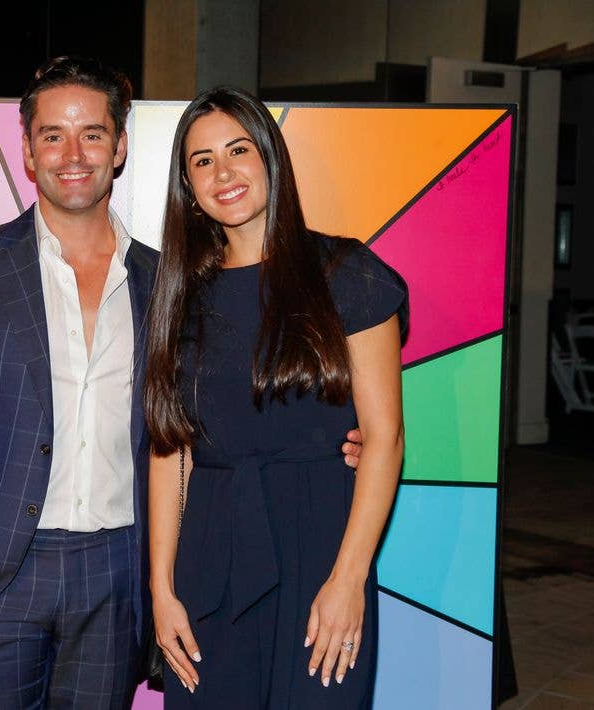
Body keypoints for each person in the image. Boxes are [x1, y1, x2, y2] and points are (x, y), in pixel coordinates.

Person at [0, 58, 366, 708]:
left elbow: (207, 413)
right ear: (28, 150)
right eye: (53, 134)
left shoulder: (166, 283)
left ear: (119, 147)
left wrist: (334, 435)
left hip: (117, 578)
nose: (73, 152)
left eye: (92, 133)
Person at [145, 87, 407, 708]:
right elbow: (169, 450)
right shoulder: (178, 294)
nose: (223, 172)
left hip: (322, 545)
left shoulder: (348, 274)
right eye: (201, 160)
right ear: (187, 185)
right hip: (209, 552)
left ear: (270, 156)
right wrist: (161, 589)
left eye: (238, 149)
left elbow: (385, 439)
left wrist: (349, 579)